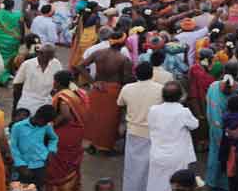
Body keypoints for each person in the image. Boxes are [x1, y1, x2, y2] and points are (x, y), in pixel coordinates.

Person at [75, 31, 133, 155]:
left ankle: (93, 144)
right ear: (122, 42)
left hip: (97, 89)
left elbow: (79, 66)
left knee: (94, 118)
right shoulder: (123, 59)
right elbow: (127, 79)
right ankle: (106, 147)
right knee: (110, 121)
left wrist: (92, 82)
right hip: (113, 91)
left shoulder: (98, 53)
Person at [117, 62, 163, 191]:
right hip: (153, 133)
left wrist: (122, 123)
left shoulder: (127, 88)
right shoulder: (160, 89)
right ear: (152, 74)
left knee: (132, 167)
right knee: (150, 167)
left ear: (135, 74)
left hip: (133, 132)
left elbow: (120, 105)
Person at [147, 81, 199, 191]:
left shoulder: (153, 110)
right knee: (177, 185)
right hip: (177, 156)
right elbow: (195, 125)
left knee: (156, 183)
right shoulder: (183, 111)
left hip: (157, 154)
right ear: (180, 96)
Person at [206, 64, 238, 191]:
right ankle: (225, 184)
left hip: (214, 127)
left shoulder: (213, 86)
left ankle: (212, 181)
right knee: (228, 156)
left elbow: (207, 102)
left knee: (214, 153)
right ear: (237, 73)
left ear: (224, 72)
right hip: (231, 131)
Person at [10, 104, 59, 190]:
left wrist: (51, 151)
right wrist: (21, 164)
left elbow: (54, 138)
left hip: (40, 165)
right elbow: (13, 147)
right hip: (23, 166)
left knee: (38, 187)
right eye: (44, 122)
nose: (45, 124)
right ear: (37, 116)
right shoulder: (18, 127)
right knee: (20, 188)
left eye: (47, 123)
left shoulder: (46, 126)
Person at [14, 44, 63, 115]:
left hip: (47, 101)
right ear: (40, 53)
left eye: (51, 57)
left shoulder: (56, 63)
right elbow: (17, 84)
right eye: (47, 57)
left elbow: (60, 81)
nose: (50, 60)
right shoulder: (27, 64)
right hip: (28, 101)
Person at [0, 0, 23, 85]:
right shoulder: (18, 15)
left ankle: (0, 76)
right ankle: (6, 75)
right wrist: (21, 39)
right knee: (10, 58)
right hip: (13, 40)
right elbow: (21, 27)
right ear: (13, 6)